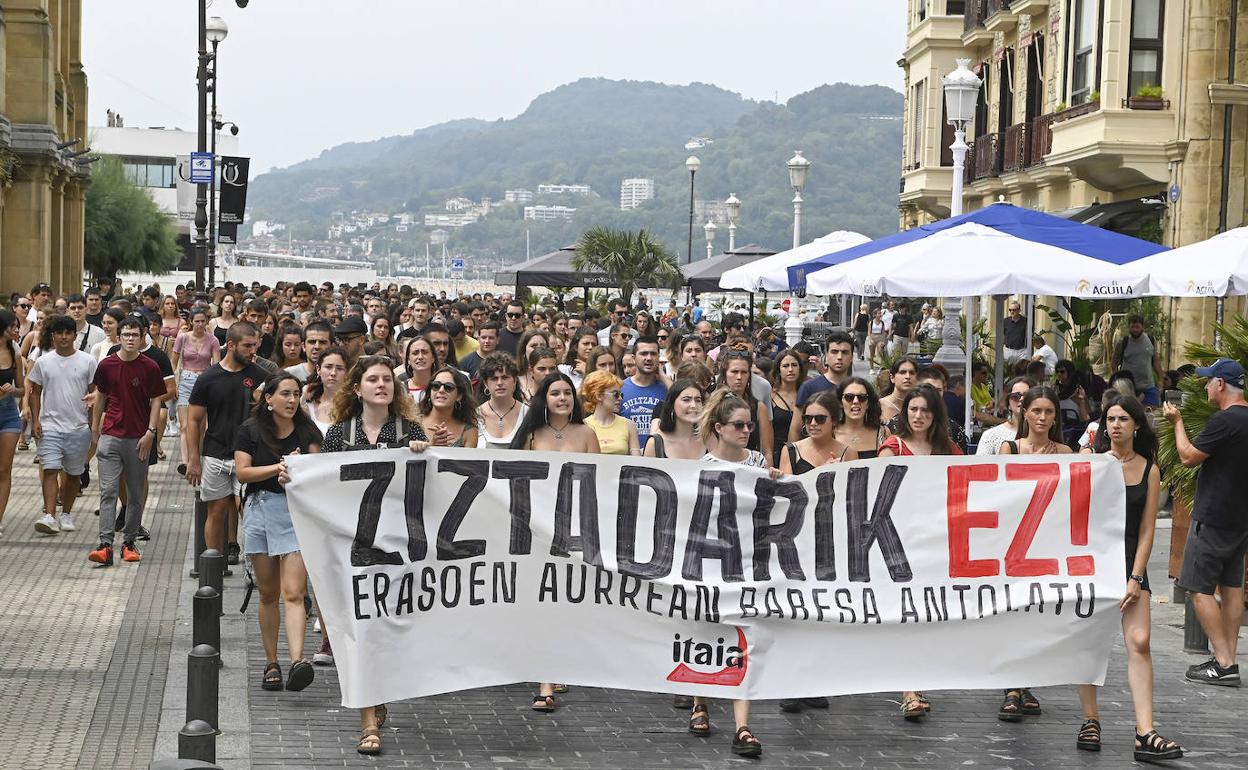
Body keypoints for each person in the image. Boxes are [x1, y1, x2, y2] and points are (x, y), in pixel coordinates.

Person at [316, 354, 430, 756]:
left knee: (387, 628)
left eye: (387, 379)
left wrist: (421, 453)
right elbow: (323, 483)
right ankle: (367, 723)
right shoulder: (338, 434)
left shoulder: (410, 430)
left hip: (397, 547)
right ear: (358, 388)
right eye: (372, 379)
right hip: (353, 547)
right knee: (362, 629)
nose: (381, 385)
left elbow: (427, 488)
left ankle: (378, 692)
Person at [1075, 394, 1183, 761]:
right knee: (1088, 644)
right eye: (1110, 419)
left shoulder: (1149, 468)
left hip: (1129, 564)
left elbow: (1148, 529)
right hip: (1092, 565)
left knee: (1140, 641)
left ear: (1137, 424)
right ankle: (1091, 719)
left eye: (1123, 418)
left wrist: (1136, 577)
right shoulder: (1091, 464)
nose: (1115, 425)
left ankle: (1145, 730)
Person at [690, 388, 777, 756]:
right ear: (720, 428)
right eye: (739, 426)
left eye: (749, 426)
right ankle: (700, 703)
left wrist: (777, 480)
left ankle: (743, 725)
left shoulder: (756, 462)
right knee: (704, 632)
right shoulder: (701, 468)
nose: (746, 431)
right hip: (708, 562)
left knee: (745, 639)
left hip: (747, 563)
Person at [510, 371, 598, 714]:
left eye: (567, 393)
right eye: (555, 393)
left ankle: (559, 663)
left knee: (566, 602)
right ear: (543, 399)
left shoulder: (587, 433)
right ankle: (544, 681)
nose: (563, 398)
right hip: (537, 528)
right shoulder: (531, 435)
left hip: (576, 527)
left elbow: (599, 483)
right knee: (542, 602)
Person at [235, 373, 323, 693]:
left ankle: (298, 661)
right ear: (268, 398)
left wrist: (302, 471)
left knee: (294, 592)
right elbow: (243, 472)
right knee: (268, 592)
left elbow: (320, 472)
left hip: (295, 513)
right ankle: (271, 661)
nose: (291, 400)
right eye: (284, 393)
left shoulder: (307, 431)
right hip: (259, 512)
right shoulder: (250, 431)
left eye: (296, 394)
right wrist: (279, 467)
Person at [1164, 357, 1248, 687]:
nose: (1205, 386)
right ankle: (1229, 658)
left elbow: (1187, 457)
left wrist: (1177, 422)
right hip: (1240, 519)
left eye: (1209, 380)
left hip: (1213, 517)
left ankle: (1225, 662)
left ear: (1221, 385)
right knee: (1231, 589)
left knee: (1197, 589)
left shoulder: (1224, 421)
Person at [879, 384, 961, 719]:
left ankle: (916, 680)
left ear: (935, 414)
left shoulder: (950, 451)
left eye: (925, 410)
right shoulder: (893, 448)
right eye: (913, 409)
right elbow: (876, 495)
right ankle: (910, 688)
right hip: (900, 542)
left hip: (937, 543)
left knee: (926, 615)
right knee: (906, 614)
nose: (918, 416)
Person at [185, 322, 268, 567]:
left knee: (250, 513)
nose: (253, 351)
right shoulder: (209, 377)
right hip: (216, 454)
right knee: (216, 511)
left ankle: (254, 565)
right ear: (231, 345)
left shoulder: (261, 377)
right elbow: (194, 420)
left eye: (255, 345)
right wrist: (193, 459)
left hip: (250, 458)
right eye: (248, 346)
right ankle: (213, 566)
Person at [88, 317, 166, 565]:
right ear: (118, 337)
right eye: (126, 334)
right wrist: (94, 428)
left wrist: (151, 432)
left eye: (135, 334)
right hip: (111, 435)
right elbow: (100, 396)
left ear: (142, 336)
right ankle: (105, 544)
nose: (130, 339)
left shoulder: (150, 367)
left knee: (134, 494)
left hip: (139, 437)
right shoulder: (107, 365)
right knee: (108, 491)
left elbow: (156, 400)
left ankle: (129, 542)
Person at [28, 314, 97, 535]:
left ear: (74, 336)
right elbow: (35, 391)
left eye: (68, 333)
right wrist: (36, 420)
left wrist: (93, 425)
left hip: (78, 427)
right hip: (50, 425)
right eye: (59, 333)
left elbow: (95, 392)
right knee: (50, 469)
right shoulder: (43, 362)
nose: (64, 337)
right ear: (53, 336)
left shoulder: (87, 361)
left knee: (74, 473)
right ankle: (49, 515)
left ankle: (66, 513)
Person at [172, 306, 222, 469]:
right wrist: (173, 383)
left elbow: (217, 364)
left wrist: (215, 384)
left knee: (201, 425)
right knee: (185, 424)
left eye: (203, 321)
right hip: (186, 379)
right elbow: (173, 361)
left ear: (207, 322)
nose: (200, 324)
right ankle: (185, 462)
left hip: (205, 381)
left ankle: (196, 458)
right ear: (191, 322)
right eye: (197, 321)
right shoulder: (183, 338)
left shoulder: (213, 340)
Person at [791, 332, 855, 441]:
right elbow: (795, 429)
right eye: (834, 352)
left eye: (845, 353)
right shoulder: (809, 387)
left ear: (852, 357)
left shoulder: (858, 389)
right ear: (826, 355)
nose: (839, 357)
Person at [779, 389, 856, 476]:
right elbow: (785, 488)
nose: (813, 423)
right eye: (808, 418)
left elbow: (852, 488)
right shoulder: (790, 451)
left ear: (834, 420)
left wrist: (841, 472)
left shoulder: (848, 453)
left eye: (820, 419)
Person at [716, 348, 772, 458]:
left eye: (744, 372)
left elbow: (767, 451)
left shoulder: (759, 407)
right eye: (734, 372)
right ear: (725, 373)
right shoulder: (713, 405)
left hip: (750, 467)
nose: (739, 377)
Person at [619, 336, 667, 449]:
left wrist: (664, 377)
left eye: (653, 354)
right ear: (634, 358)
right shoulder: (620, 387)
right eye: (644, 353)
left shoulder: (666, 388)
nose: (649, 358)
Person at [643, 378, 705, 462]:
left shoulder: (709, 441)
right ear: (672, 405)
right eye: (686, 400)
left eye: (698, 400)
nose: (694, 405)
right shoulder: (655, 444)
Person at [581, 369, 639, 456]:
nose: (620, 398)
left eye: (621, 394)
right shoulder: (584, 426)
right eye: (615, 394)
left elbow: (636, 461)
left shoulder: (629, 425)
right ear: (599, 396)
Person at [476, 353, 528, 450]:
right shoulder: (475, 416)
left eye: (505, 377)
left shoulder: (528, 414)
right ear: (486, 384)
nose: (499, 383)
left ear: (515, 381)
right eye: (494, 379)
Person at [976, 377, 1038, 456]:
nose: (1022, 399)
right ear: (1008, 404)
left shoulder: (1044, 435)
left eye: (1027, 396)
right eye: (1015, 396)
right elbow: (981, 467)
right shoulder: (990, 436)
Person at [1113, 314, 1165, 407]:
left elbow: (1156, 361)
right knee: (1130, 414)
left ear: (1142, 327)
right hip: (1128, 388)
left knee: (1151, 413)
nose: (1135, 330)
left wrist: (1160, 380)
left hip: (1148, 386)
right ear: (1129, 327)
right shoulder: (1123, 342)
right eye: (1133, 327)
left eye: (1137, 327)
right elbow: (1114, 361)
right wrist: (1117, 381)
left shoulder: (1150, 340)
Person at [419, 366, 478, 448]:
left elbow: (468, 461)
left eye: (448, 387)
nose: (441, 390)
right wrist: (431, 445)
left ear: (459, 396)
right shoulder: (414, 423)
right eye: (436, 386)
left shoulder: (469, 431)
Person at [835, 377, 889, 459]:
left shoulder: (883, 432)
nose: (856, 401)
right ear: (840, 403)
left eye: (862, 397)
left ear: (868, 403)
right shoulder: (830, 433)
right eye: (849, 397)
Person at [303, 346, 349, 438]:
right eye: (328, 367)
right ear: (318, 369)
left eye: (339, 368)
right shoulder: (307, 405)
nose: (333, 373)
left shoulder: (353, 405)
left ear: (347, 373)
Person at [769, 349, 805, 465]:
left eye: (794, 365)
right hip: (776, 454)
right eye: (785, 366)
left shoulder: (808, 394)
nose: (790, 370)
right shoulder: (770, 396)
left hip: (804, 453)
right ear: (778, 369)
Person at [285, 320, 332, 384]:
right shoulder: (289, 374)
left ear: (331, 346)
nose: (317, 346)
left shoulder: (340, 376)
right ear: (303, 346)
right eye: (312, 342)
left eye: (322, 342)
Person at [879, 358, 919, 424]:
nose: (908, 376)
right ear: (892, 378)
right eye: (902, 372)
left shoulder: (922, 406)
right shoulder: (879, 406)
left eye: (912, 373)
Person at [395, 336, 434, 403]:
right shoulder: (400, 390)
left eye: (424, 352)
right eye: (415, 353)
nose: (420, 357)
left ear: (433, 357)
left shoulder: (442, 386)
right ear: (409, 360)